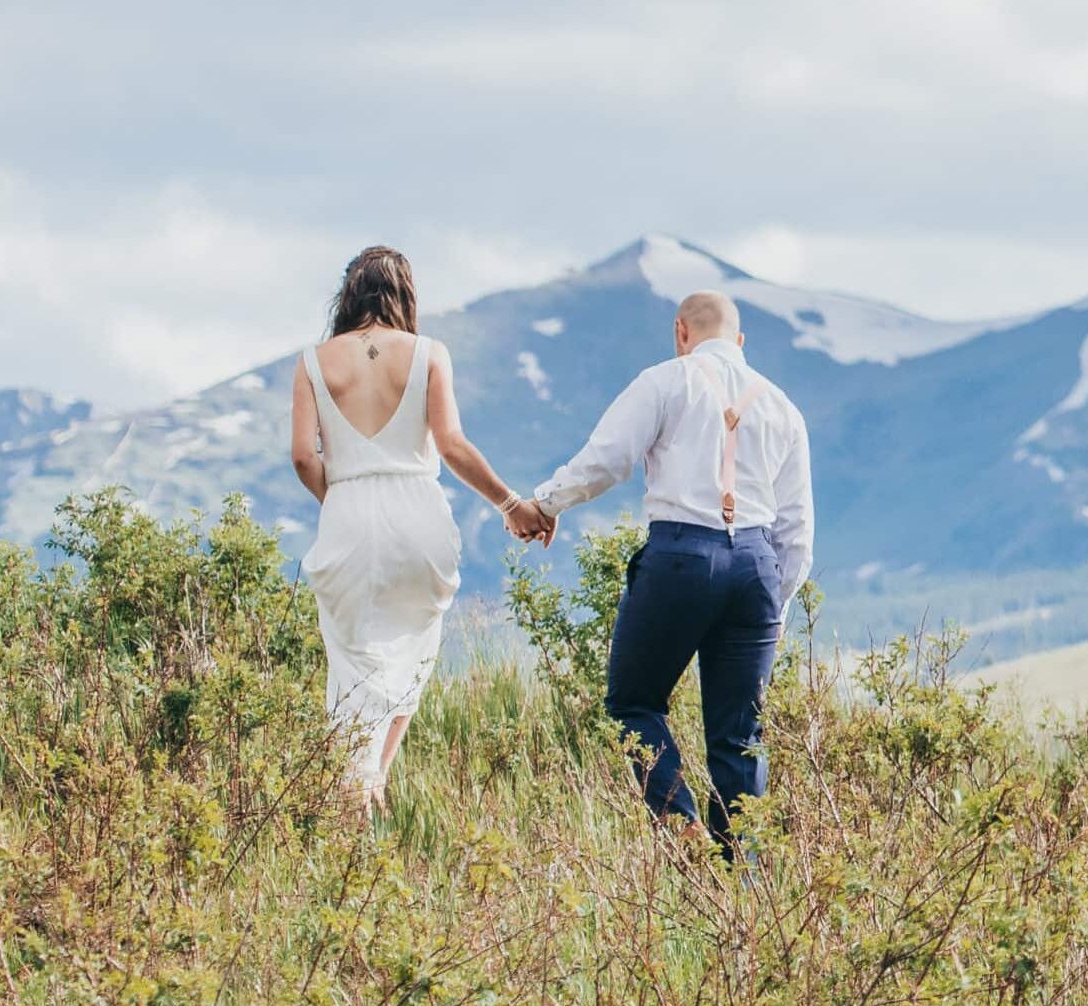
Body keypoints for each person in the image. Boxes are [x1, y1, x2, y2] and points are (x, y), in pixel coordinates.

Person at [530, 289, 813, 857]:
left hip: (681, 556)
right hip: (756, 564)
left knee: (633, 703)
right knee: (740, 739)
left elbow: (606, 459)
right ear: (740, 342)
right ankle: (744, 887)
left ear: (681, 331)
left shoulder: (665, 381)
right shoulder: (782, 407)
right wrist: (775, 607)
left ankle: (682, 829)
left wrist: (544, 503)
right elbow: (797, 529)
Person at [290, 245, 553, 816]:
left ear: (349, 294)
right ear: (404, 295)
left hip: (349, 512)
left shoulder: (314, 362)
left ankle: (354, 790)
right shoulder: (429, 353)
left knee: (353, 657)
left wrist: (338, 501)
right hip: (418, 512)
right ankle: (374, 781)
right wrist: (510, 504)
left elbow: (303, 457)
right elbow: (452, 444)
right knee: (413, 650)